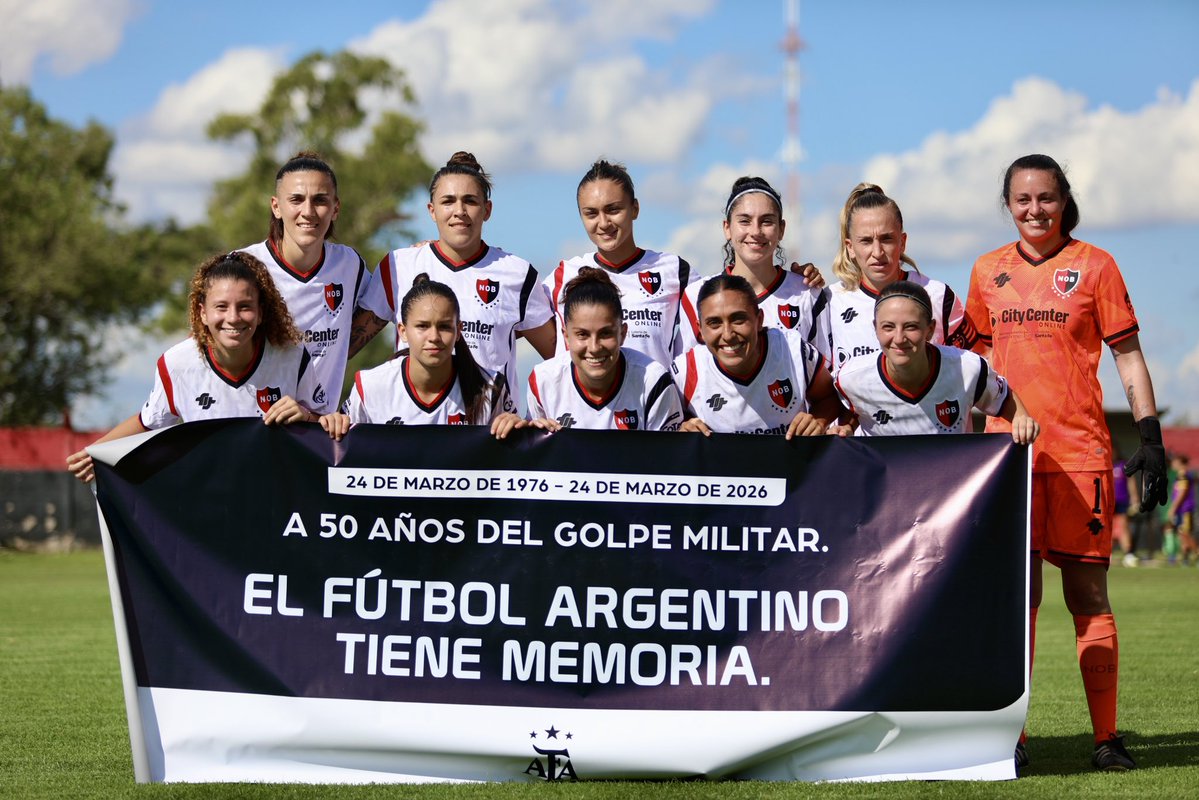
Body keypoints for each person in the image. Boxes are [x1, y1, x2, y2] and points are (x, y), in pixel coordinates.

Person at [964, 154, 1168, 772]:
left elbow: (1129, 358)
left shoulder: (1095, 266)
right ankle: (1012, 741)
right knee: (1017, 603)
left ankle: (1106, 739)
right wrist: (967, 454)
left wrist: (1151, 435)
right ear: (1008, 204)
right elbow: (970, 376)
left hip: (1079, 456)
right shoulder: (985, 271)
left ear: (1063, 200)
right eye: (1023, 200)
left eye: (1046, 198)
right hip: (1007, 460)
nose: (1035, 210)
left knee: (1087, 595)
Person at [67, 252, 323, 483]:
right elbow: (148, 422)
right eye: (221, 307)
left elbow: (326, 427)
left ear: (261, 312)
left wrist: (307, 416)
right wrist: (95, 452)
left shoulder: (293, 357)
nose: (233, 317)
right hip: (210, 501)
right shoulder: (177, 364)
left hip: (277, 498)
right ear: (202, 312)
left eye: (244, 306)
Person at [356, 152, 556, 386]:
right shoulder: (399, 266)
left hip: (489, 421)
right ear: (432, 210)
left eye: (470, 201)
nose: (459, 210)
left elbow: (560, 361)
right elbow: (341, 348)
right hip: (415, 420)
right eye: (448, 201)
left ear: (487, 210)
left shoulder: (518, 274)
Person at [240, 151, 376, 412]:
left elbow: (387, 301)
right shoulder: (243, 266)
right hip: (254, 425)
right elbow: (206, 340)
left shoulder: (350, 265)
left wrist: (422, 254)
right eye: (296, 200)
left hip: (316, 430)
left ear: (336, 208)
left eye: (320, 200)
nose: (308, 211)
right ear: (276, 206)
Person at [318, 277, 523, 439]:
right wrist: (332, 424)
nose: (433, 337)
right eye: (422, 326)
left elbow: (516, 458)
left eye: (444, 326)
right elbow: (342, 450)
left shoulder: (490, 387)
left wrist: (524, 429)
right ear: (403, 331)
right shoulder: (371, 386)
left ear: (459, 330)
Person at [834, 281, 1038, 441]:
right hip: (887, 492)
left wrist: (1022, 420)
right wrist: (845, 425)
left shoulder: (968, 368)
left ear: (930, 329)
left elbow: (1005, 400)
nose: (898, 338)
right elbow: (838, 407)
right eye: (888, 327)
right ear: (875, 328)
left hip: (950, 491)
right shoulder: (851, 378)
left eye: (911, 327)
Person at [544, 160, 697, 366]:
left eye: (613, 210)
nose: (604, 223)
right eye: (591, 213)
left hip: (654, 397)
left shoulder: (676, 271)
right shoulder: (563, 276)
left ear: (634, 209)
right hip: (582, 399)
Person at [678, 176, 831, 360]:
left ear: (781, 229)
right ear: (727, 228)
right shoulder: (696, 295)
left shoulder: (808, 294)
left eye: (767, 221)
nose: (756, 231)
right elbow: (687, 377)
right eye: (745, 221)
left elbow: (825, 373)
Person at [672, 273, 840, 438]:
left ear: (759, 320)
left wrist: (818, 421)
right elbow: (665, 431)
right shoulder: (685, 371)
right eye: (714, 323)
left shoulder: (792, 350)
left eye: (738, 320)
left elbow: (829, 397)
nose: (728, 334)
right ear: (700, 329)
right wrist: (681, 428)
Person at [828, 183, 970, 372]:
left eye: (886, 239)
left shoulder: (938, 295)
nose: (877, 252)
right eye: (866, 241)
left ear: (902, 242)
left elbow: (975, 368)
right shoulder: (830, 302)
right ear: (850, 247)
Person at [527, 268, 684, 431]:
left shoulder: (654, 381)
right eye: (582, 334)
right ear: (566, 336)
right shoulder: (542, 381)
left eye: (605, 333)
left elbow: (666, 454)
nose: (594, 348)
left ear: (622, 333)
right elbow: (533, 452)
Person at [1165, 453, 1197, 565]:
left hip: (1185, 509)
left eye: (1174, 462)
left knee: (1185, 533)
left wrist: (1173, 508)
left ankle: (1197, 553)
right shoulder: (1184, 474)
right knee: (1181, 533)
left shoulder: (1183, 475)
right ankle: (1185, 559)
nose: (1172, 464)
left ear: (1180, 463)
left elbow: (1182, 493)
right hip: (1182, 510)